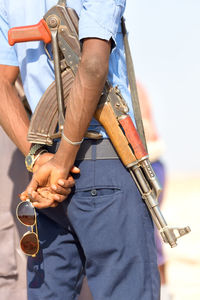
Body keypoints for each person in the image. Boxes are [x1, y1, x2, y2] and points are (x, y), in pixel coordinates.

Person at [0, 1, 160, 299]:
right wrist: (61, 160)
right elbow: (94, 63)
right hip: (102, 157)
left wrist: (40, 160)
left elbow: (2, 82)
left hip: (47, 177)